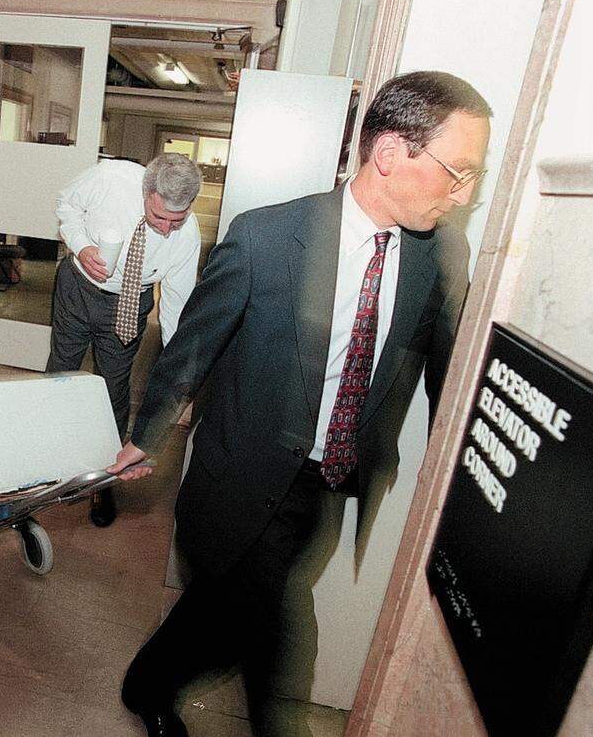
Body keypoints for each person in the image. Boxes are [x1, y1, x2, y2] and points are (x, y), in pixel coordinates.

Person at [109, 71, 492, 736]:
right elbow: (192, 349)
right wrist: (146, 434)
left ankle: (146, 684)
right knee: (282, 639)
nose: (466, 193)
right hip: (242, 471)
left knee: (224, 608)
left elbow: (446, 373)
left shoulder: (442, 256)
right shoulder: (264, 240)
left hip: (328, 484)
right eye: (458, 171)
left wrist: (462, 482)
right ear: (391, 153)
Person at [47, 153, 203, 527]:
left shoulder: (187, 237)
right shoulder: (110, 177)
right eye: (159, 218)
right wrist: (82, 245)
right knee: (59, 375)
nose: (166, 229)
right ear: (147, 192)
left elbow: (177, 310)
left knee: (112, 387)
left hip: (129, 302)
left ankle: (105, 479)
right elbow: (66, 203)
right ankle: (47, 463)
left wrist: (179, 373)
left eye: (176, 221)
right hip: (77, 287)